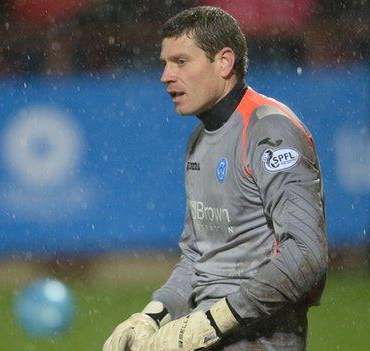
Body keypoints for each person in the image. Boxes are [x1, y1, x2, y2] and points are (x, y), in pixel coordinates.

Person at [103, 6, 327, 351]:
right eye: (164, 63)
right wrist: (152, 316)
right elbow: (197, 256)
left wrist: (212, 322)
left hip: (259, 340)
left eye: (180, 61)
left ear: (224, 62)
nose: (165, 75)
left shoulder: (269, 130)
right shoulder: (198, 141)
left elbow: (305, 256)